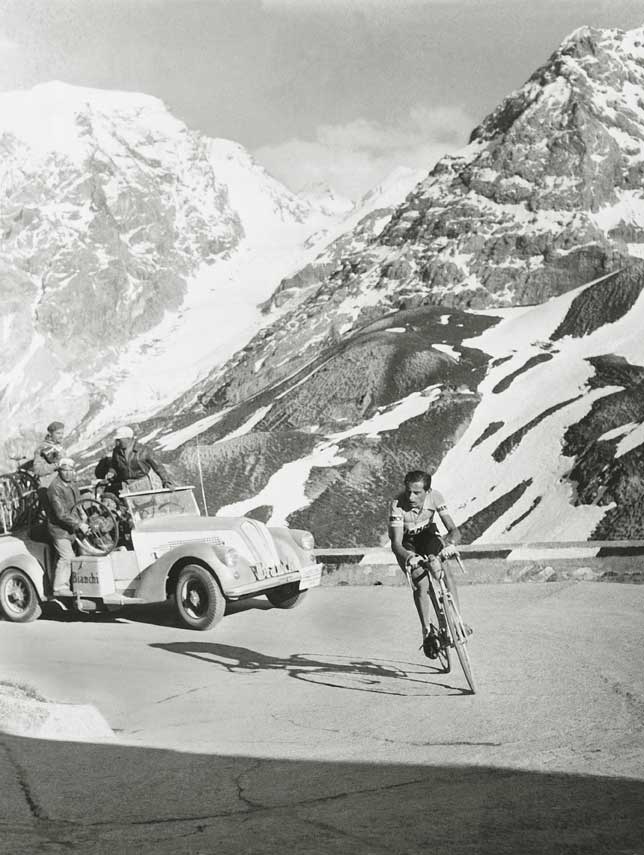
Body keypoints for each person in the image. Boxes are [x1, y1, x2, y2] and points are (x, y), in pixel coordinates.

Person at [388, 469, 465, 659]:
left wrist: (450, 545)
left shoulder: (436, 497)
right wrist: (409, 557)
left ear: (428, 492)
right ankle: (427, 631)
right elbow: (396, 543)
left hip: (427, 535)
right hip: (407, 543)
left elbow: (453, 530)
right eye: (408, 491)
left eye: (417, 493)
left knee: (444, 569)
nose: (411, 497)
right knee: (422, 584)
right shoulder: (397, 505)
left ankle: (457, 621)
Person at [46, 458, 90, 597]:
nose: (68, 473)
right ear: (59, 471)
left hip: (72, 526)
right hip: (59, 530)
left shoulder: (72, 484)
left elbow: (78, 502)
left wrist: (82, 513)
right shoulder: (55, 488)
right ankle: (59, 588)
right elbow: (61, 514)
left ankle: (81, 585)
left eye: (70, 470)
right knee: (67, 556)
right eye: (65, 470)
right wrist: (79, 524)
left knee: (86, 552)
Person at [107, 426, 174, 493]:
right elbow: (114, 466)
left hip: (144, 486)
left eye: (119, 440)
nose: (117, 443)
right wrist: (111, 472)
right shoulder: (116, 452)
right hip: (126, 486)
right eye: (116, 440)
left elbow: (158, 467)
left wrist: (166, 481)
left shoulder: (144, 450)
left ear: (128, 439)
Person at [32, 421, 66, 488]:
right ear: (50, 434)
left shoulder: (59, 447)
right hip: (48, 486)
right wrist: (55, 466)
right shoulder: (42, 448)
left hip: (61, 484)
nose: (61, 436)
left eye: (62, 433)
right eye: (58, 433)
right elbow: (37, 470)